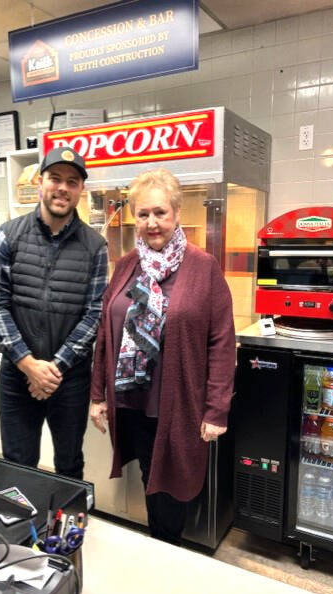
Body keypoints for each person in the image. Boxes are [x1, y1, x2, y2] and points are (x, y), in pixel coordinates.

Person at [89, 168, 235, 545]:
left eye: (160, 213)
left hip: (177, 404)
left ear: (176, 214)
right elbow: (105, 332)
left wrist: (216, 410)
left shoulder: (203, 267)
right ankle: (159, 548)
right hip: (131, 400)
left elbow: (221, 341)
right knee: (150, 479)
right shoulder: (125, 265)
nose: (151, 223)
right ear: (133, 217)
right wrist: (98, 395)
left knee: (171, 487)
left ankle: (169, 554)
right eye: (143, 214)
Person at [0, 146, 108, 479]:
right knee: (18, 464)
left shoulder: (95, 247)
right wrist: (27, 364)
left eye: (72, 181)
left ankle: (69, 530)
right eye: (55, 178)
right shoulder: (7, 236)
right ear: (41, 181)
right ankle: (25, 530)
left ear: (81, 190)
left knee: (69, 464)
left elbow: (94, 313)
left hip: (68, 379)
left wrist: (53, 369)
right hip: (16, 375)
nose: (62, 188)